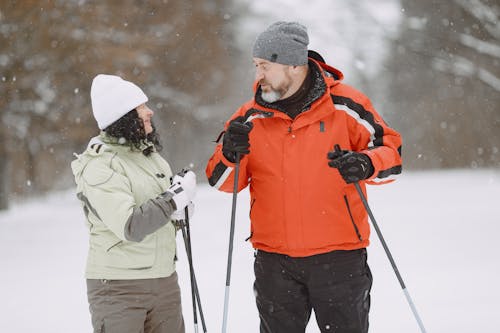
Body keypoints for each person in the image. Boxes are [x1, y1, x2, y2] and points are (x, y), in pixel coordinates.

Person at [206, 22, 402, 333]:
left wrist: (366, 163)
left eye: (264, 66)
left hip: (339, 259)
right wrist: (230, 154)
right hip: (274, 262)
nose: (258, 76)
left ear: (293, 65)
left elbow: (392, 154)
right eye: (257, 66)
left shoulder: (347, 107)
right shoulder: (249, 117)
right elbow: (220, 182)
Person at [72, 74, 196, 333]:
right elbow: (130, 225)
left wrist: (182, 208)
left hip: (164, 282)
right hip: (119, 288)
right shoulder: (99, 164)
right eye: (141, 108)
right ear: (123, 116)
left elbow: (163, 211)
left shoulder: (151, 158)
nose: (150, 112)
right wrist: (172, 199)